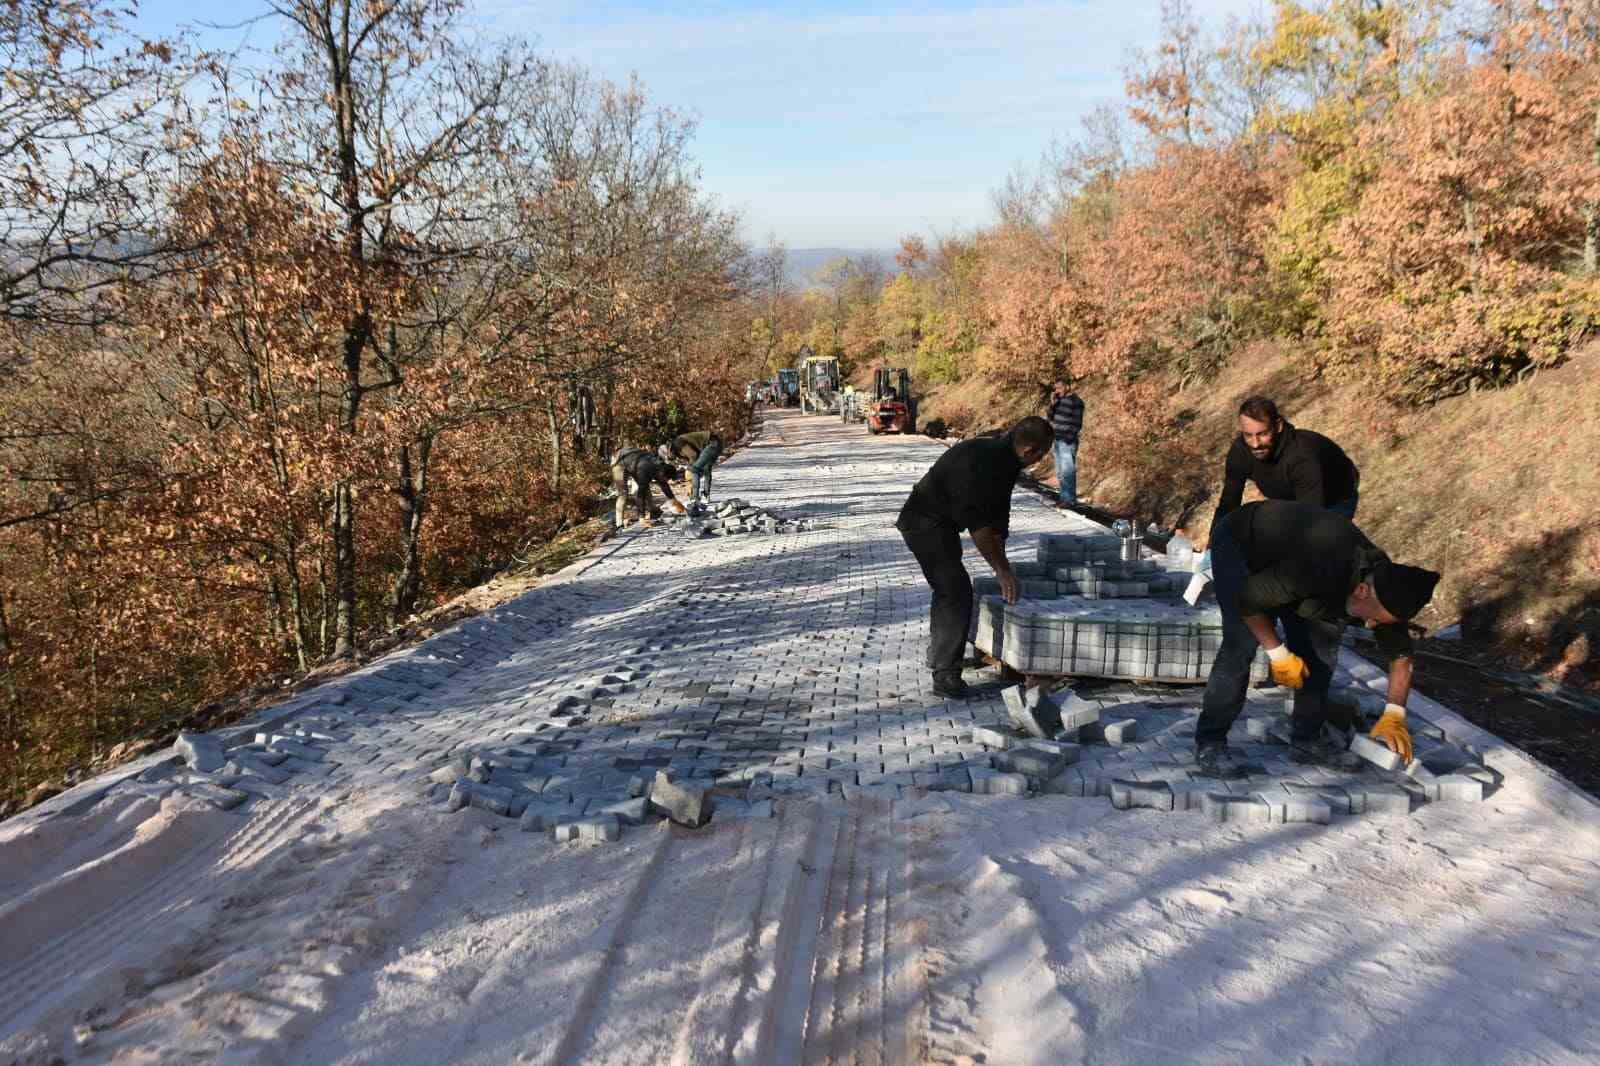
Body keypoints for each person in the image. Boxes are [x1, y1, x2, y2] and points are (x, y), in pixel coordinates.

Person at [1193, 499, 1440, 779]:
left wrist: (1395, 713)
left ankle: (1307, 740)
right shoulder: (1322, 566)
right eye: (1374, 618)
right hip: (1243, 541)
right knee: (1242, 643)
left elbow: (1401, 657)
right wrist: (1277, 652)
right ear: (1361, 591)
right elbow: (1249, 600)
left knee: (1321, 650)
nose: (1372, 625)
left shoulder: (1389, 589)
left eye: (1381, 623)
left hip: (1297, 573)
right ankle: (1210, 743)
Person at [897, 416, 1054, 699]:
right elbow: (980, 530)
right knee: (955, 591)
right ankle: (945, 676)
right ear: (1029, 449)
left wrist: (1003, 556)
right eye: (1041, 454)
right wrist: (1002, 571)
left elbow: (997, 517)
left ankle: (939, 656)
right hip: (923, 523)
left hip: (942, 523)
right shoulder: (984, 461)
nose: (1040, 460)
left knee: (949, 589)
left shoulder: (1005, 459)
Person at [1207, 396, 1360, 540]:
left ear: (1278, 426)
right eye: (1248, 435)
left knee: (1325, 542)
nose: (1255, 444)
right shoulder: (1240, 451)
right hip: (1291, 495)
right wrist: (1213, 548)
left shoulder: (1302, 457)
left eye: (1263, 434)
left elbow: (1310, 519)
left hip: (1336, 494)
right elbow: (1229, 502)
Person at [611, 447, 685, 528]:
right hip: (620, 462)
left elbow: (664, 484)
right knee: (624, 494)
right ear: (662, 474)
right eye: (667, 478)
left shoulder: (661, 467)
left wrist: (674, 500)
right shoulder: (645, 471)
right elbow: (640, 495)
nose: (667, 481)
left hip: (635, 461)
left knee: (645, 487)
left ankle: (653, 511)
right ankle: (619, 524)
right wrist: (641, 518)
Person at [1045, 379, 1085, 508]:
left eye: (1059, 388)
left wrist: (1068, 438)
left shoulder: (1076, 402)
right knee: (1060, 471)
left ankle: (1069, 500)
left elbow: (1077, 424)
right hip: (1057, 440)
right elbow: (1050, 417)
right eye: (1055, 388)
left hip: (1067, 441)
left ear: (1067, 387)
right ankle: (1064, 498)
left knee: (1068, 471)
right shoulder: (1058, 401)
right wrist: (1052, 403)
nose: (1057, 391)